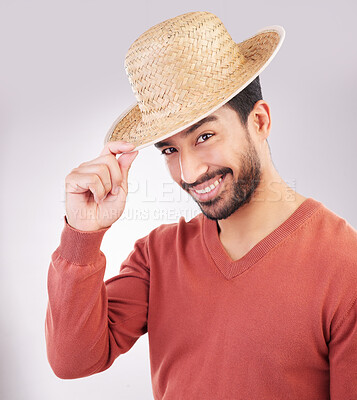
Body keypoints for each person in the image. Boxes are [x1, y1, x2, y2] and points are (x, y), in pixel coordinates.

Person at [45, 11, 357, 399]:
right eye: (170, 149)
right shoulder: (157, 255)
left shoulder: (345, 265)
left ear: (258, 122)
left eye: (205, 135)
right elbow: (72, 360)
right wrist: (82, 234)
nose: (189, 172)